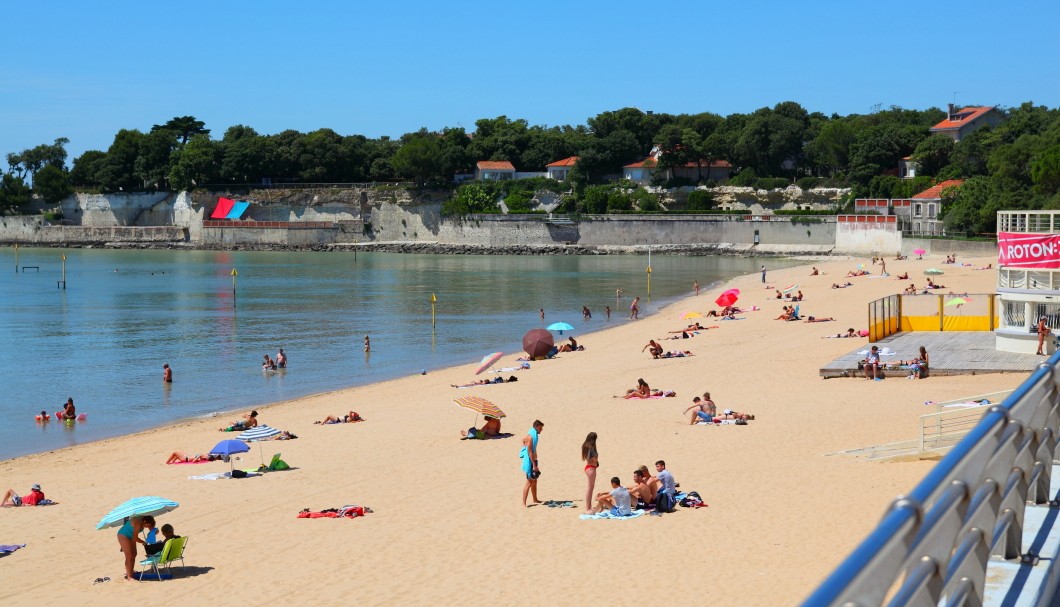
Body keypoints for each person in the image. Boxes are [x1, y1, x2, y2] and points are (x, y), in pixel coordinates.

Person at [521, 420, 544, 507]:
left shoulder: (531, 434)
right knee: (529, 482)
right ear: (536, 426)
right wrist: (534, 465)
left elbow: (523, 440)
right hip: (530, 462)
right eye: (540, 428)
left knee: (535, 480)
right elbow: (530, 451)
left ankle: (535, 499)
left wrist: (524, 446)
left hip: (533, 460)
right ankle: (524, 503)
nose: (541, 430)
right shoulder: (531, 436)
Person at [116, 515, 146, 581]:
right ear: (145, 521)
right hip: (123, 535)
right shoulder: (137, 521)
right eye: (147, 525)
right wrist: (143, 542)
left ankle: (130, 571)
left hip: (131, 536)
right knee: (129, 555)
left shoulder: (143, 522)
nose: (147, 527)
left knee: (134, 554)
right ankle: (129, 576)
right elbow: (135, 537)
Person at [581, 432, 599, 514]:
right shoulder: (591, 448)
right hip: (591, 468)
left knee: (590, 488)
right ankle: (588, 507)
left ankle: (589, 506)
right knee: (590, 488)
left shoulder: (585, 446)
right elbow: (593, 459)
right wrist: (596, 459)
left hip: (588, 467)